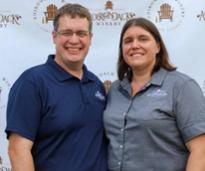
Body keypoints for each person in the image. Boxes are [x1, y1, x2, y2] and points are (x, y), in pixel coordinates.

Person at [5, 3, 107, 171]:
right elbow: (18, 150)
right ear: (54, 36)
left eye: (81, 33)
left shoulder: (96, 85)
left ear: (90, 38)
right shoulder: (32, 82)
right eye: (66, 33)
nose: (74, 40)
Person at [103, 17, 205, 171]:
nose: (134, 45)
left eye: (143, 39)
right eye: (128, 41)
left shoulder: (181, 86)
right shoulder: (115, 90)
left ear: (158, 47)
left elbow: (201, 150)